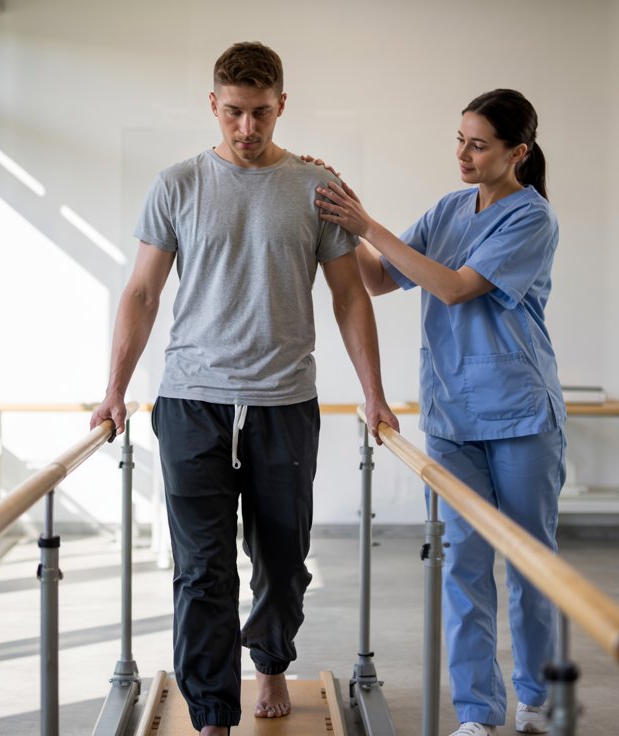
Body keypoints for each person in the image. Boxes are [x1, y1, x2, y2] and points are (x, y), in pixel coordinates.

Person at [89, 41, 399, 736]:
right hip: (191, 401)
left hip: (284, 404)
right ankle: (212, 715)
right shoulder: (177, 184)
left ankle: (271, 659)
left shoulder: (314, 188)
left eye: (261, 113)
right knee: (202, 571)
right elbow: (141, 292)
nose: (247, 128)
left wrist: (375, 394)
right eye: (234, 113)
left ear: (281, 105)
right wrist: (113, 390)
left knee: (282, 561)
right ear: (213, 105)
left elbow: (351, 297)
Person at [313, 89, 564, 736]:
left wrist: (369, 224)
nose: (464, 154)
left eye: (479, 144)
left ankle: (538, 700)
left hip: (520, 417)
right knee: (465, 568)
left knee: (533, 566)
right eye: (460, 139)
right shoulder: (450, 210)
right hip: (453, 418)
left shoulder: (532, 219)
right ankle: (479, 714)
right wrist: (343, 210)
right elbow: (377, 278)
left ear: (519, 153)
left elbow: (453, 288)